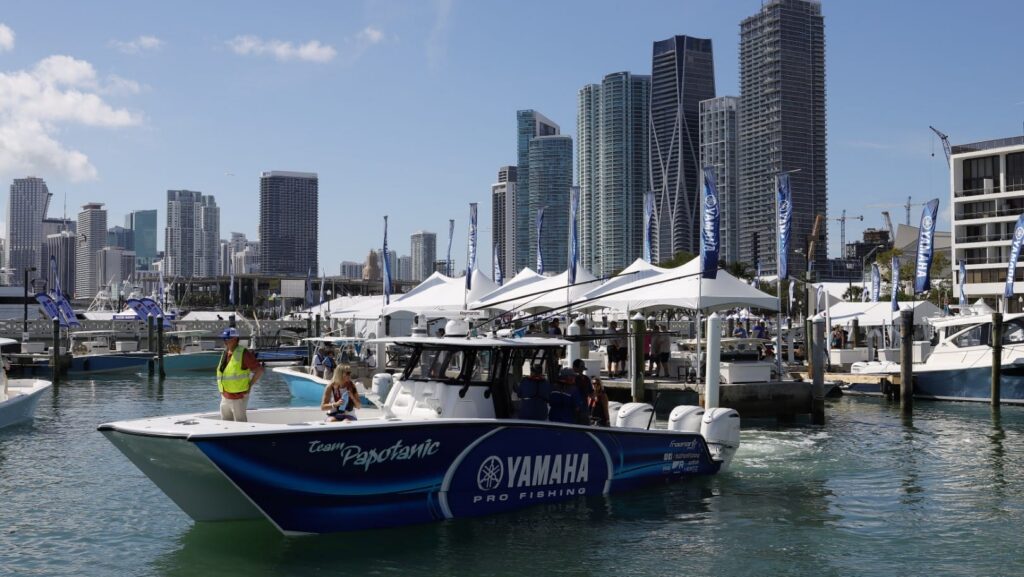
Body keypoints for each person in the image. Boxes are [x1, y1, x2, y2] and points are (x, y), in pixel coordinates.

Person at [216, 327, 264, 422]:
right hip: (225, 396)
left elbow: (259, 370)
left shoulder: (244, 353)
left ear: (235, 339)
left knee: (240, 423)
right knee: (225, 423)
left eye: (227, 339)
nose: (224, 341)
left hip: (238, 397)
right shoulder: (225, 352)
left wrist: (249, 385)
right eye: (223, 339)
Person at [571, 358, 594, 424]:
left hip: (583, 408)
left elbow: (591, 393)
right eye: (580, 369)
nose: (581, 371)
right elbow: (591, 394)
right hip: (574, 408)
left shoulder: (586, 379)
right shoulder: (571, 378)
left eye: (582, 369)